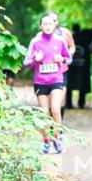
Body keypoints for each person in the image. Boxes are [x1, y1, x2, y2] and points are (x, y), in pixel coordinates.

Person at [24, 14, 72, 153]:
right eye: (44, 24)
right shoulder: (35, 42)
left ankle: (57, 139)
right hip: (40, 82)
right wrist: (35, 59)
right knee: (44, 113)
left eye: (50, 23)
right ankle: (46, 141)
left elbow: (69, 60)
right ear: (40, 26)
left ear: (54, 25)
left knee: (56, 109)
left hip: (56, 80)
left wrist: (61, 59)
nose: (47, 26)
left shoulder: (60, 40)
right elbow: (26, 63)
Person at [67, 23, 92, 109]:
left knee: (69, 84)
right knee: (83, 83)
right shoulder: (86, 39)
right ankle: (81, 103)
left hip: (71, 66)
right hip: (84, 65)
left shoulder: (70, 39)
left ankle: (69, 104)